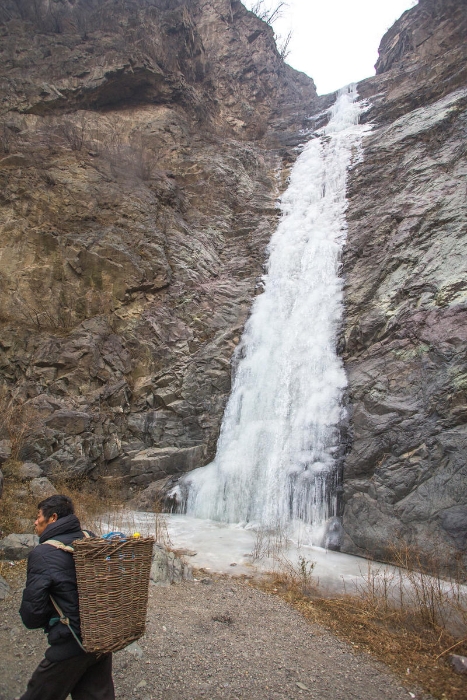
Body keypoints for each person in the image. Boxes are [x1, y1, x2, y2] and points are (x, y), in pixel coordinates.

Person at [18, 494, 115, 700]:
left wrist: (52, 619)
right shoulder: (90, 538)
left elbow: (31, 614)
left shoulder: (43, 554)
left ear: (52, 518)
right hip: (100, 640)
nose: (35, 522)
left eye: (38, 516)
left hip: (70, 643)